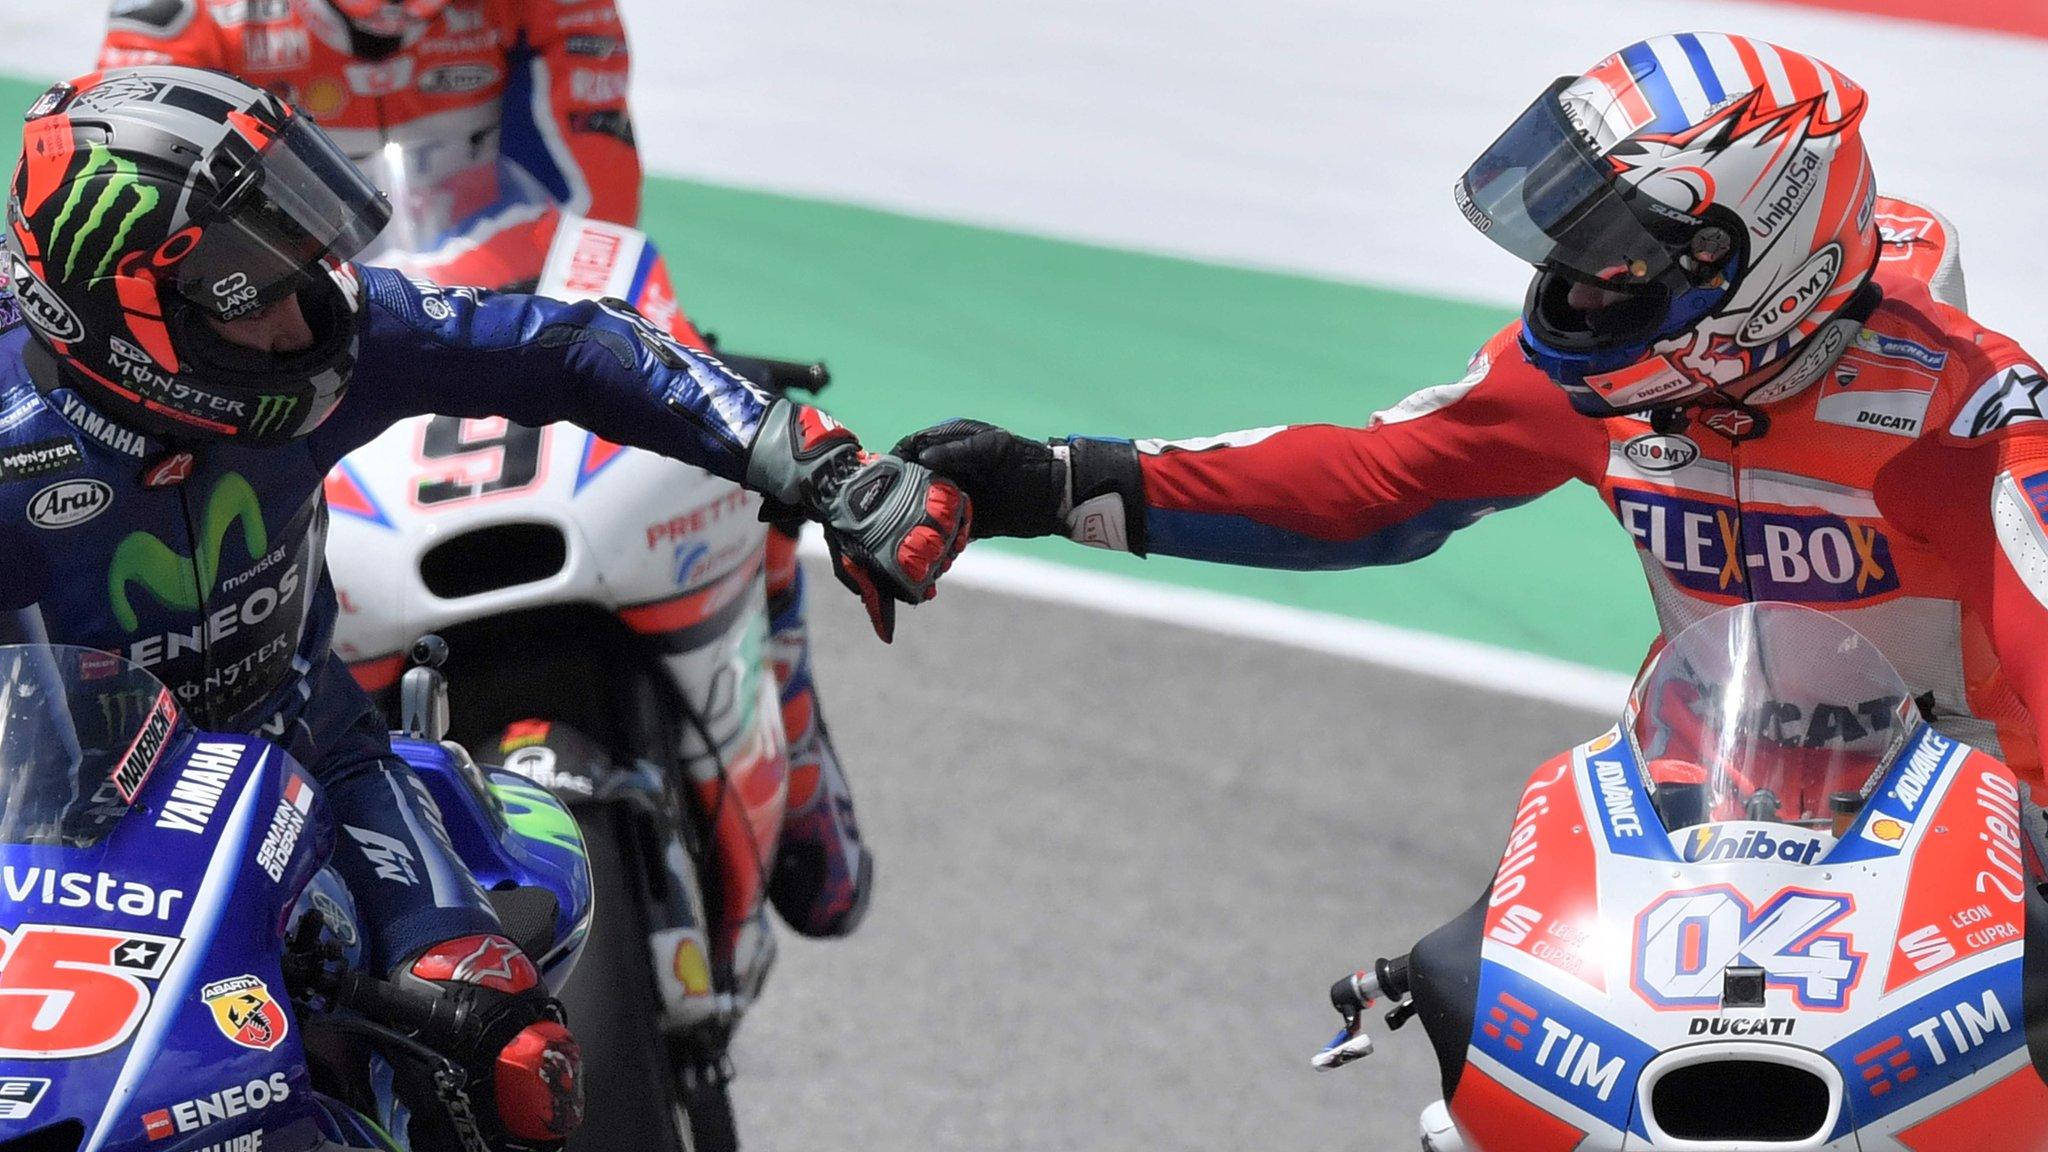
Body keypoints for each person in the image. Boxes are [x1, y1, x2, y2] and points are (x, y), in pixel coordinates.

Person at [1, 65, 966, 1148]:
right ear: (131, 312)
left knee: (504, 1054)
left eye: (298, 260)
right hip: (52, 846)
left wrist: (815, 462)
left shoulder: (342, 338)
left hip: (313, 757)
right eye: (255, 286)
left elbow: (577, 351)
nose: (302, 309)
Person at [896, 32, 2048, 782]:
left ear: (1749, 260)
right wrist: (1051, 484)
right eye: (1568, 248)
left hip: (1982, 861)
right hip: (1705, 825)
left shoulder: (1979, 413)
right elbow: (1373, 488)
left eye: (1616, 261)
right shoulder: (1585, 382)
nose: (1575, 291)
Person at [96, 0, 881, 941]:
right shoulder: (186, 11)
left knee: (745, 472)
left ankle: (798, 773)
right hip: (302, 311)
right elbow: (140, 175)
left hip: (514, 276)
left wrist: (566, 315)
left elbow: (594, 187)